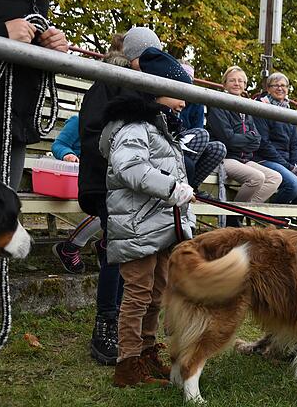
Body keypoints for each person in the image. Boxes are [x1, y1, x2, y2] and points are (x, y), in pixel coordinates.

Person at [99, 47, 194, 387]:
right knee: (137, 295)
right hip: (136, 226)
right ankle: (127, 364)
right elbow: (131, 167)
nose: (185, 101)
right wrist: (172, 188)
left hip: (161, 227)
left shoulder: (160, 127)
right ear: (157, 89)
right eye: (180, 93)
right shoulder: (133, 126)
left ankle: (147, 352)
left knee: (156, 294)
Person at [77, 29, 159, 366]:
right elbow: (94, 134)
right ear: (136, 56)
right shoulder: (107, 82)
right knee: (119, 252)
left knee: (138, 254)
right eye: (151, 57)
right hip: (108, 184)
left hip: (140, 187)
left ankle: (131, 326)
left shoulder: (150, 90)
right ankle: (106, 321)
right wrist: (130, 163)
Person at [0, 0, 68, 189]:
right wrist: (2, 32)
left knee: (5, 212)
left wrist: (52, 48)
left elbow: (27, 35)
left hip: (14, 120)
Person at [206, 66, 281, 224]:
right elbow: (228, 139)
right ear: (224, 84)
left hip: (244, 159)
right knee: (256, 177)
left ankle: (239, 213)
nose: (237, 83)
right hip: (225, 158)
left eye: (240, 81)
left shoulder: (246, 107)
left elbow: (257, 141)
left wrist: (244, 140)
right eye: (232, 80)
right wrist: (248, 139)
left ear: (245, 85)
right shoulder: (218, 104)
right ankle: (233, 218)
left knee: (275, 177)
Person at [252, 72, 297, 204]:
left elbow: (295, 143)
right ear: (268, 89)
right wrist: (288, 167)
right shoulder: (261, 108)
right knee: (294, 184)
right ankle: (271, 217)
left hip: (287, 162)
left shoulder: (289, 112)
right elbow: (263, 144)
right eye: (276, 85)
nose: (280, 88)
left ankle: (288, 218)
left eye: (283, 85)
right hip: (265, 159)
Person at [49, 114, 103, 275]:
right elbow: (59, 145)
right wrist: (67, 154)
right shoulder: (79, 121)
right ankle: (70, 248)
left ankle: (105, 246)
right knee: (104, 208)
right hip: (78, 178)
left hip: (101, 178)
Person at [170, 61, 226, 190]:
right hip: (171, 140)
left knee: (218, 148)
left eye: (189, 78)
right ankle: (180, 181)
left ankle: (192, 187)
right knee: (202, 134)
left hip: (188, 144)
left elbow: (198, 128)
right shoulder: (168, 94)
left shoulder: (197, 102)